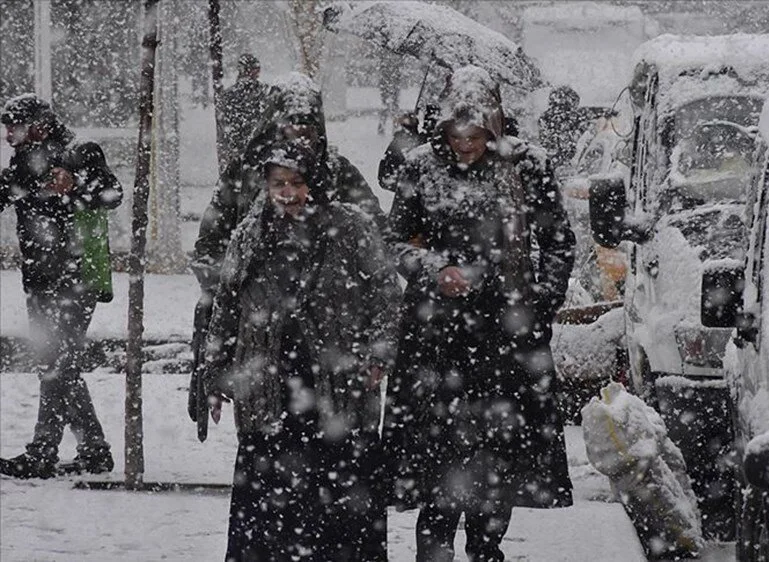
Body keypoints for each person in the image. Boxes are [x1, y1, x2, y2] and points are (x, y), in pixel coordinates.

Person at [383, 66, 576, 562]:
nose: (465, 145)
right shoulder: (421, 166)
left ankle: (486, 548)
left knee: (499, 453)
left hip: (506, 334)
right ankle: (436, 547)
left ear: (494, 126)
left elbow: (557, 241)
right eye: (455, 134)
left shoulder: (528, 165)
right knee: (437, 451)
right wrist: (434, 268)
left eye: (475, 135)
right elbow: (394, 241)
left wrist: (539, 303)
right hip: (435, 333)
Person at [198, 140, 400, 561]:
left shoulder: (350, 227)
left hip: (338, 382)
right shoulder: (251, 232)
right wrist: (215, 373)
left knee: (340, 495)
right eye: (278, 183)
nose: (288, 193)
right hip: (269, 382)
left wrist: (379, 353)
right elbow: (226, 304)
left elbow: (385, 292)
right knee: (269, 504)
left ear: (316, 183)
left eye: (296, 182)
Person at [189, 72, 383, 425]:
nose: (301, 133)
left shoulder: (340, 174)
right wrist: (245, 294)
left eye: (309, 125)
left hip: (331, 342)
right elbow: (208, 248)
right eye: (292, 124)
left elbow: (377, 246)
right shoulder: (245, 173)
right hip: (262, 342)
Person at [0, 94, 122, 479]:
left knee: (57, 364)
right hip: (38, 281)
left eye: (13, 128)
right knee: (56, 365)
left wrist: (75, 185)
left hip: (78, 279)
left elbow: (112, 194)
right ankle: (94, 451)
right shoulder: (22, 163)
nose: (7, 136)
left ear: (38, 125)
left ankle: (43, 452)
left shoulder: (80, 152)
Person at [218, 53, 269, 171]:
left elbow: (224, 127)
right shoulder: (265, 92)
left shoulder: (228, 94)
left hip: (238, 151)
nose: (257, 72)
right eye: (255, 68)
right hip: (259, 151)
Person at [537, 85, 588, 171]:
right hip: (561, 159)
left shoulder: (545, 116)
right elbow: (589, 112)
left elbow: (544, 139)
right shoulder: (571, 116)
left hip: (549, 159)